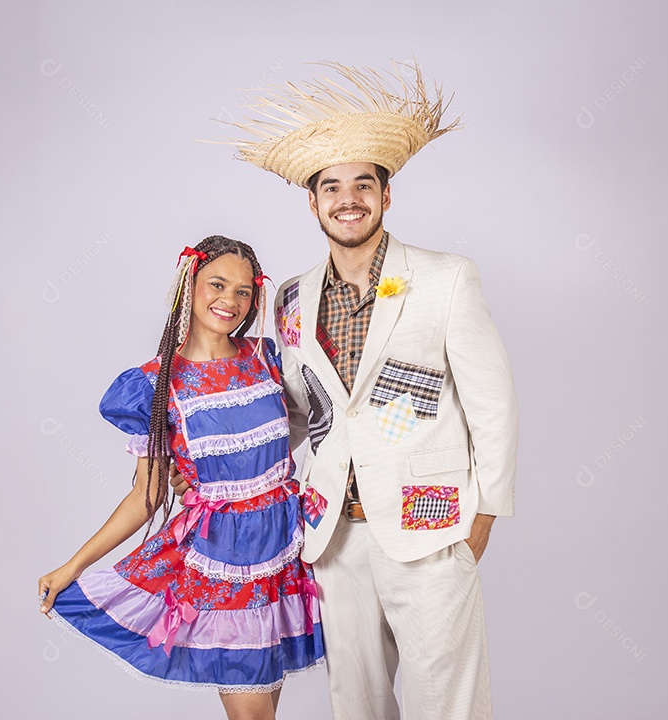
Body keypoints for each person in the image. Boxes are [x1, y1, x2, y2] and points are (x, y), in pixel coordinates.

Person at [219, 61, 520, 720]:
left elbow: (493, 404)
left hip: (431, 528)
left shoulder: (444, 278)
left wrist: (483, 517)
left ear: (386, 196)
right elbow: (295, 413)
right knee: (354, 705)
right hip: (332, 535)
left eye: (363, 184)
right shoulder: (291, 298)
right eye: (331, 187)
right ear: (313, 202)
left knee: (448, 705)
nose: (347, 199)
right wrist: (222, 466)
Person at [38, 235, 324, 720]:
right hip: (225, 562)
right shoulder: (156, 385)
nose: (230, 300)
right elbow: (146, 496)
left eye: (244, 291)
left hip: (288, 549)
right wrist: (73, 565)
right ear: (189, 284)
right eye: (218, 284)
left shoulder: (267, 357)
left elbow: (313, 425)